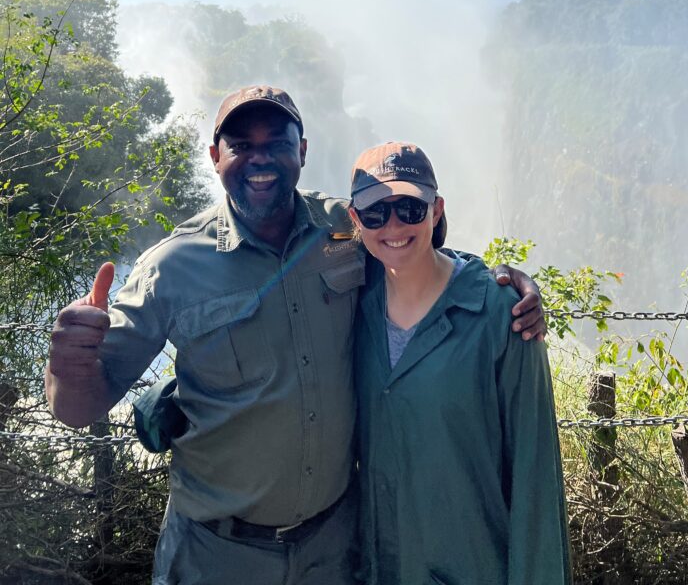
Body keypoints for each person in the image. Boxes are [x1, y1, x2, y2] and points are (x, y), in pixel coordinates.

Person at [45, 85, 546, 585]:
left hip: (332, 550)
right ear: (215, 156)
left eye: (278, 143)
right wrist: (67, 363)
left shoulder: (342, 231)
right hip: (217, 555)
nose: (260, 159)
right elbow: (76, 407)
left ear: (302, 151)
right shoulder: (171, 267)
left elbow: (408, 247)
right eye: (241, 145)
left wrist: (497, 283)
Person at [350, 141, 571, 585]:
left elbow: (536, 480)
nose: (393, 226)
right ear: (355, 221)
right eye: (376, 213)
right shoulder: (350, 303)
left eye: (410, 208)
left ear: (436, 210)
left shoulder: (502, 315)